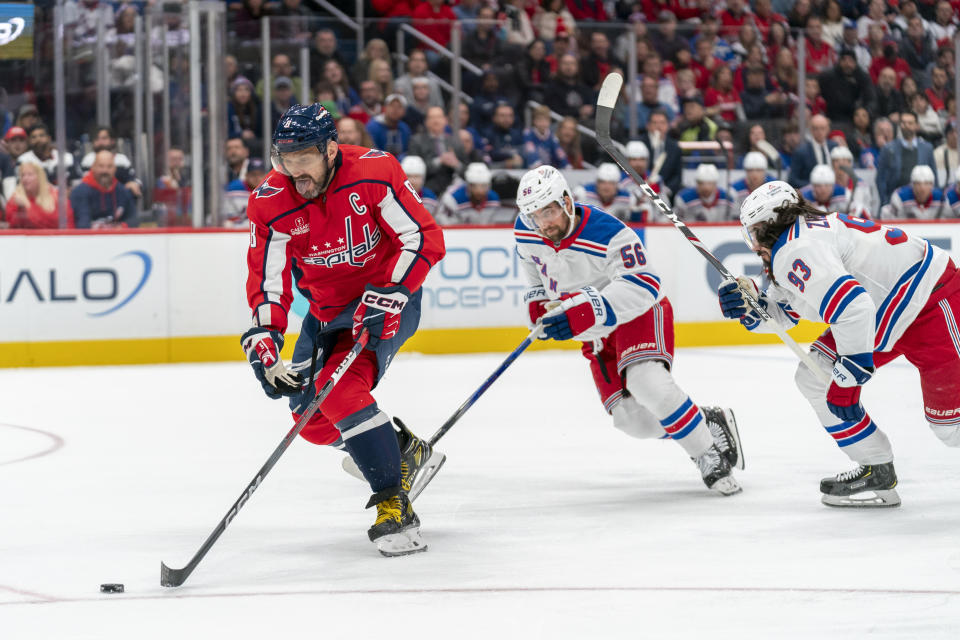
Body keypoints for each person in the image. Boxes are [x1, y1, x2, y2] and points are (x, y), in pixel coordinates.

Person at [243, 103, 445, 556]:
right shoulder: (269, 202)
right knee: (310, 421)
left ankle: (395, 505)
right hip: (324, 314)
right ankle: (400, 450)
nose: (294, 172)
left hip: (386, 301)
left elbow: (423, 237)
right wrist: (265, 340)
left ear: (331, 149)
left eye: (304, 158)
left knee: (337, 391)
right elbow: (267, 281)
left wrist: (392, 291)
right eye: (284, 160)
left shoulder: (374, 172)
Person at [718, 180, 960, 507]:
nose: (754, 243)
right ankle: (876, 468)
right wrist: (752, 308)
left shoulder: (795, 249)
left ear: (773, 222)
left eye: (755, 232)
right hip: (886, 311)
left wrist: (849, 379)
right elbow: (786, 315)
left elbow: (853, 308)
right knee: (813, 377)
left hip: (930, 306)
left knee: (950, 428)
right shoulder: (796, 239)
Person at [515, 166, 743, 495]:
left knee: (648, 384)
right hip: (593, 330)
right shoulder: (526, 230)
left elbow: (645, 284)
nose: (543, 223)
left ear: (566, 201)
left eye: (548, 211)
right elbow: (533, 271)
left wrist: (585, 309)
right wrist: (537, 302)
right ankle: (703, 422)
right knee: (631, 421)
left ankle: (706, 452)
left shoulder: (609, 232)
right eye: (535, 216)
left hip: (635, 312)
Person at [876, 111, 936, 206]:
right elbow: (880, 179)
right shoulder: (888, 148)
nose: (906, 126)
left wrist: (932, 203)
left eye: (910, 123)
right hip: (895, 202)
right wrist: (885, 201)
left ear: (917, 125)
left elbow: (933, 176)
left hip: (921, 202)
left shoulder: (927, 148)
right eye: (903, 123)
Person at [69, 150, 138, 228]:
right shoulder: (80, 192)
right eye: (101, 166)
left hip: (118, 239)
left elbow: (133, 221)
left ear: (115, 169)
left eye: (109, 166)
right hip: (90, 239)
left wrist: (122, 227)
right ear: (93, 168)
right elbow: (83, 226)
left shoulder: (123, 191)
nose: (105, 171)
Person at [407, 106, 467, 196]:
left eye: (439, 117)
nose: (436, 121)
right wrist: (439, 161)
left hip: (452, 190)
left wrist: (456, 164)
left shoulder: (455, 143)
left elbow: (467, 172)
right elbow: (412, 169)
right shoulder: (416, 141)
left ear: (445, 120)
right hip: (426, 190)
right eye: (432, 117)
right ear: (426, 122)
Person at [3, 161, 73, 229]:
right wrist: (21, 210)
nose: (25, 178)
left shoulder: (56, 196)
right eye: (23, 175)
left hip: (57, 238)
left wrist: (28, 209)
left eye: (30, 174)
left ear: (40, 177)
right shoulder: (16, 199)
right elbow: (11, 225)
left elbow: (64, 222)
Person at [436, 162, 508, 225]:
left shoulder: (494, 199)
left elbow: (494, 227)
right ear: (468, 185)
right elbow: (445, 226)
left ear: (489, 186)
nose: (479, 190)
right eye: (474, 186)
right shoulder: (452, 199)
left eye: (483, 186)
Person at [79, 126, 140, 197]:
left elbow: (135, 180)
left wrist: (133, 183)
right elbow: (82, 183)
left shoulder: (121, 159)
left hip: (118, 200)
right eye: (97, 139)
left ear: (112, 141)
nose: (100, 142)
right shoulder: (88, 159)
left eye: (104, 138)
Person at [619, 141, 666, 222]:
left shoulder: (656, 180)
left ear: (647, 161)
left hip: (653, 227)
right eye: (634, 159)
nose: (638, 164)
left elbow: (665, 210)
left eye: (642, 159)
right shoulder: (619, 181)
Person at [880, 165, 945, 219]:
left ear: (932, 185)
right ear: (912, 185)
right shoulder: (900, 196)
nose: (922, 188)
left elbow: (947, 221)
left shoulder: (941, 197)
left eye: (927, 183)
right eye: (918, 184)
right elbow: (887, 216)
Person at [222, 157, 268, 227]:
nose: (257, 178)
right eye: (253, 174)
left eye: (260, 174)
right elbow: (228, 219)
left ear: (266, 176)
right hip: (236, 234)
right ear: (246, 175)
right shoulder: (234, 188)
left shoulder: (271, 192)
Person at [522, 105, 567, 169]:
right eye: (540, 120)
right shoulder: (528, 133)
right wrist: (537, 164)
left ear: (549, 121)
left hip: (547, 171)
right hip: (531, 170)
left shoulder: (552, 136)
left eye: (545, 120)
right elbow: (530, 151)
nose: (543, 123)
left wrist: (566, 165)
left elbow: (559, 152)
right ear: (534, 121)